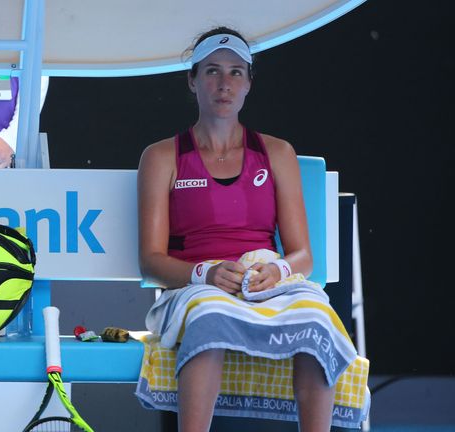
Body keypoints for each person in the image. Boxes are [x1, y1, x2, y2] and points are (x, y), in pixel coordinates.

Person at [138, 28, 342, 432]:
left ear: (249, 83)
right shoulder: (162, 156)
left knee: (318, 316)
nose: (224, 84)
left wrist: (279, 271)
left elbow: (302, 255)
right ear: (192, 81)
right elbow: (151, 260)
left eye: (235, 73)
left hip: (266, 283)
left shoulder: (277, 153)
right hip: (196, 288)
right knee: (210, 315)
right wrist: (206, 273)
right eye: (212, 71)